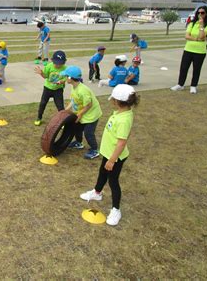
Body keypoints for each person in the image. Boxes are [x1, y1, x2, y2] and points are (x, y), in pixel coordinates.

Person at [80, 84, 139, 226]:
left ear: (118, 101)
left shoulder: (124, 119)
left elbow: (121, 143)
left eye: (113, 99)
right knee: (102, 173)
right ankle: (97, 192)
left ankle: (116, 209)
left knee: (113, 181)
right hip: (108, 153)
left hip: (116, 157)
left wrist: (112, 160)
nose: (111, 101)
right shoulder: (120, 112)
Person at [61, 66, 102, 160]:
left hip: (91, 115)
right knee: (77, 128)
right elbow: (73, 101)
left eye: (66, 76)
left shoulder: (83, 90)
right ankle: (79, 143)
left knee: (88, 133)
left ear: (71, 78)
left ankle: (95, 150)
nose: (65, 78)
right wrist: (66, 110)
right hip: (82, 113)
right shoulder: (74, 87)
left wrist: (80, 114)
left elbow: (89, 105)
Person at [171, 5, 207, 94]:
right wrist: (197, 39)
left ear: (206, 14)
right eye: (198, 12)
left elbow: (202, 36)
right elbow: (186, 36)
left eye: (202, 13)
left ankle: (193, 86)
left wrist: (201, 25)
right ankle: (180, 84)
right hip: (188, 49)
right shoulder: (192, 23)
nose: (200, 14)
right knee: (184, 68)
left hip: (200, 51)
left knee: (196, 69)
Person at [33, 50, 67, 126]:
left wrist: (62, 81)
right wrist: (41, 73)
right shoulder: (49, 66)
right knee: (42, 103)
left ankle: (62, 121)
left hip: (58, 90)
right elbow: (45, 76)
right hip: (47, 88)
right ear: (53, 60)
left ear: (64, 62)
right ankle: (39, 117)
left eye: (60, 64)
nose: (58, 65)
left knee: (60, 106)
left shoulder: (65, 68)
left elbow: (67, 78)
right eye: (56, 63)